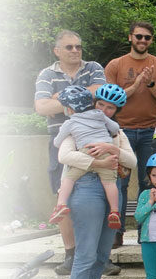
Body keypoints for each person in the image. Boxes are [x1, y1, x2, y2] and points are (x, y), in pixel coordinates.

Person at [35, 29, 113, 276]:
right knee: (63, 196)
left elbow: (101, 96)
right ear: (57, 50)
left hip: (94, 140)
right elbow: (41, 107)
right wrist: (82, 94)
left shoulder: (93, 67)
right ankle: (71, 253)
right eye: (69, 47)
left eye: (78, 46)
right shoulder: (47, 74)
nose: (75, 51)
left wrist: (61, 98)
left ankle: (102, 256)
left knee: (98, 196)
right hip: (61, 140)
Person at [55, 98, 138, 279]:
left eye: (110, 107)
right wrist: (99, 163)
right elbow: (63, 156)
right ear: (92, 106)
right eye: (100, 106)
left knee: (102, 254)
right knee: (85, 253)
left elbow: (132, 161)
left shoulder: (117, 133)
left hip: (112, 190)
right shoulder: (75, 127)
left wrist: (111, 148)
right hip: (85, 189)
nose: (104, 110)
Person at [106, 21, 156, 217]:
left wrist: (151, 84)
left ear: (151, 40)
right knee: (120, 182)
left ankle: (143, 231)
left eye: (147, 37)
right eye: (139, 36)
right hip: (121, 131)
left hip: (151, 131)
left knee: (150, 183)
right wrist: (137, 84)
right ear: (130, 37)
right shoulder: (116, 64)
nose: (142, 40)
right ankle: (117, 233)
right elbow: (110, 99)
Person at [50, 84, 128, 230]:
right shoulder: (99, 116)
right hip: (106, 151)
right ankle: (114, 211)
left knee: (69, 178)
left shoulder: (70, 122)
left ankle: (61, 205)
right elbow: (115, 128)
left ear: (70, 109)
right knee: (110, 183)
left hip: (87, 151)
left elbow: (56, 142)